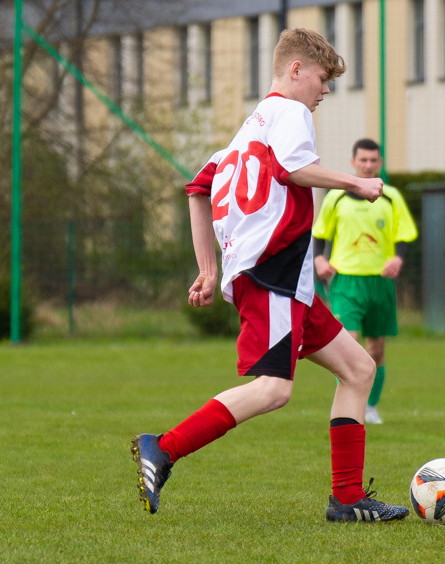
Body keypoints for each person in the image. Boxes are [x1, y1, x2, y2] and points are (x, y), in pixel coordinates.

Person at [130, 28, 409, 523]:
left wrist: (209, 268)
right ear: (295, 70)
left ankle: (346, 500)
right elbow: (292, 167)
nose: (325, 91)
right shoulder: (291, 113)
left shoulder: (248, 130)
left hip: (287, 280)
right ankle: (164, 448)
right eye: (322, 79)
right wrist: (357, 183)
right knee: (274, 389)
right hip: (274, 272)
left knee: (359, 369)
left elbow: (198, 188)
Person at [312, 139, 418, 425]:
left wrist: (397, 259)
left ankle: (370, 407)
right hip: (346, 281)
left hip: (380, 284)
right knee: (348, 346)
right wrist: (318, 259)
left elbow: (404, 236)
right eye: (363, 160)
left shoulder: (391, 196)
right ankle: (347, 410)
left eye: (373, 160)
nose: (368, 165)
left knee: (376, 349)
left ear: (379, 163)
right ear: (353, 162)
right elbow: (319, 233)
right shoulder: (336, 197)